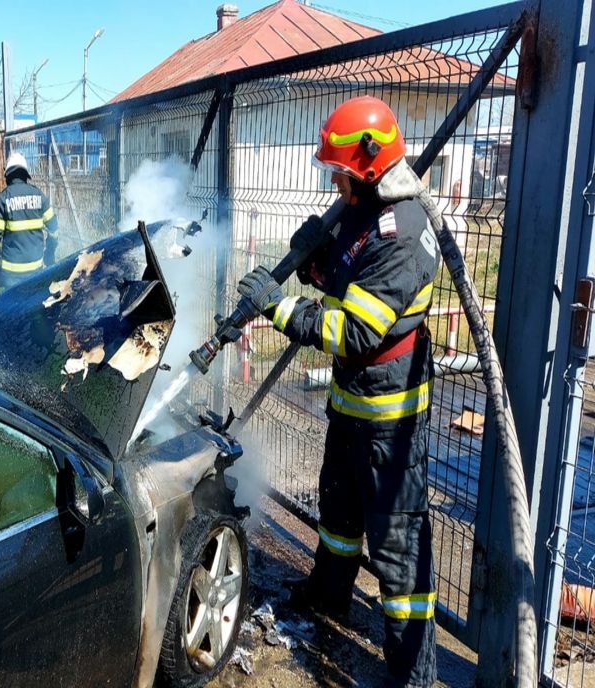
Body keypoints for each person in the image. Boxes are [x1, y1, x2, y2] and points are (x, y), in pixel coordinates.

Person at [236, 96, 440, 688]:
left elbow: (352, 330)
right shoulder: (361, 208)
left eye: (340, 170)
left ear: (371, 165)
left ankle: (412, 675)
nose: (333, 179)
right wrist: (315, 259)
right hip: (352, 409)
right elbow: (345, 278)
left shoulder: (401, 233)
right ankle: (328, 599)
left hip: (390, 425)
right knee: (338, 519)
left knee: (399, 558)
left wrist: (281, 309)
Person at [0, 152, 58, 289]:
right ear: (25, 174)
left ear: (8, 175)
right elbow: (54, 227)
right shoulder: (39, 195)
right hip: (36, 271)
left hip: (10, 275)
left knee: (13, 307)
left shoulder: (3, 198)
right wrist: (49, 253)